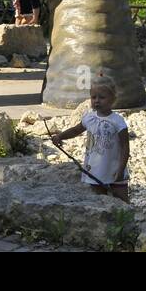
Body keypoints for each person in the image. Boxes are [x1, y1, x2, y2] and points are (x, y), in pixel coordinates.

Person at [50, 73, 129, 201]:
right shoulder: (89, 117)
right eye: (93, 97)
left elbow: (125, 146)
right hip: (95, 168)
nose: (97, 100)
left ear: (113, 99)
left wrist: (120, 169)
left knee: (121, 198)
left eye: (102, 97)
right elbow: (76, 130)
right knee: (99, 199)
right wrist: (60, 136)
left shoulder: (118, 121)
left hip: (114, 168)